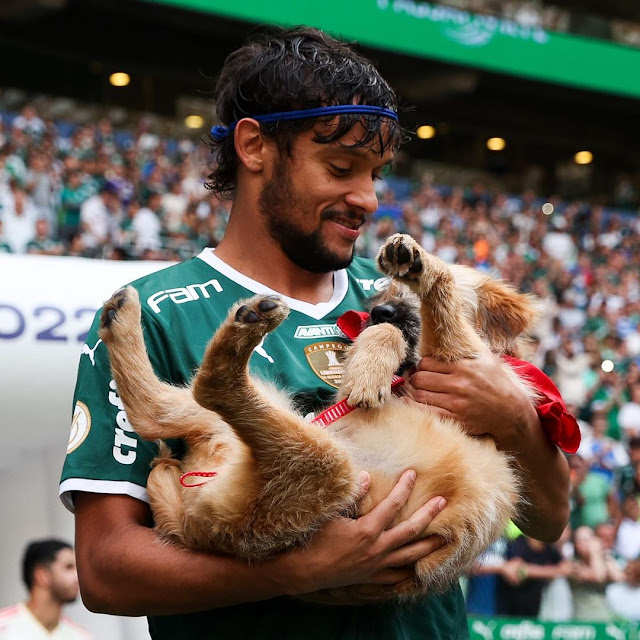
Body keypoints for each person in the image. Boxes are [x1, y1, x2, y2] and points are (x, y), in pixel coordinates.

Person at [59, 26, 570, 639]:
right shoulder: (155, 313)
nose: (368, 198)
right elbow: (105, 569)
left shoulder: (399, 292)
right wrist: (297, 571)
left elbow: (548, 518)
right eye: (341, 167)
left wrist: (515, 419)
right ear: (254, 148)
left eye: (376, 173)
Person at [0, 539, 91, 639]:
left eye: (77, 568)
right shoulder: (3, 628)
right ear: (42, 575)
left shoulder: (80, 635)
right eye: (69, 567)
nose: (78, 577)